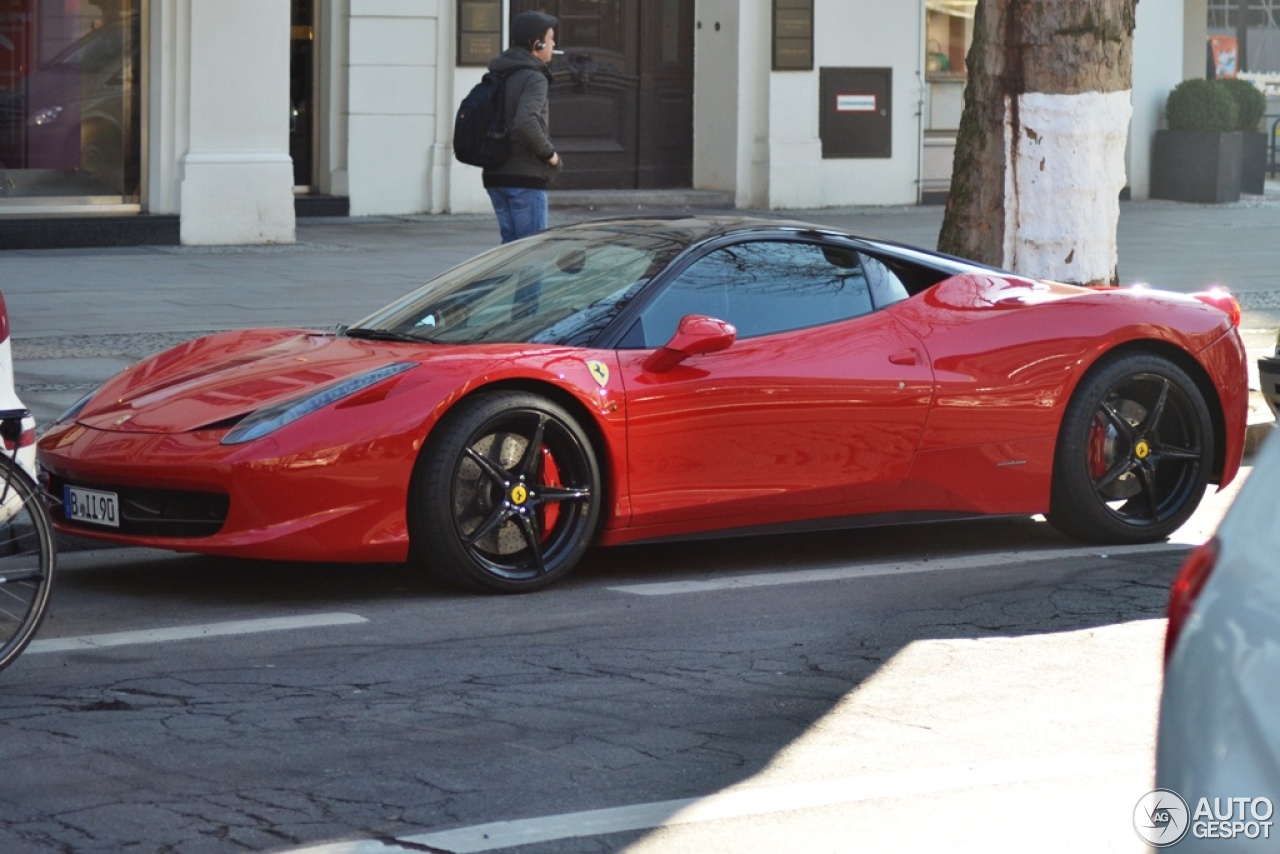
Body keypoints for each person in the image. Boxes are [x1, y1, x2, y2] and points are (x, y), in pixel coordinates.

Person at [484, 11, 563, 243]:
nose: (553, 44)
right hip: (525, 176)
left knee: (510, 255)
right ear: (536, 43)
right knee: (531, 256)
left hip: (496, 174)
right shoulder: (534, 77)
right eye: (550, 39)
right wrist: (551, 156)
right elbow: (526, 122)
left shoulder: (500, 71)